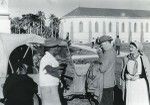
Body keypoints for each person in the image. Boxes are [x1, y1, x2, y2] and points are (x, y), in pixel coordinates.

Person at [98, 35, 116, 105]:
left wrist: (99, 66)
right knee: (109, 101)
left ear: (106, 43)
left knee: (104, 102)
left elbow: (102, 69)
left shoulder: (107, 53)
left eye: (102, 45)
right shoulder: (113, 51)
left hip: (105, 82)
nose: (101, 47)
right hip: (111, 81)